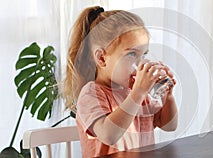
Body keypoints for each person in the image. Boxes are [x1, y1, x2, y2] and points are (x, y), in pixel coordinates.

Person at [63, 6, 178, 157]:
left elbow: (169, 126)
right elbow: (108, 135)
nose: (140, 63)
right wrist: (138, 93)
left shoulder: (136, 92)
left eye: (143, 55)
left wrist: (168, 97)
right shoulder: (92, 94)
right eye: (131, 54)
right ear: (102, 58)